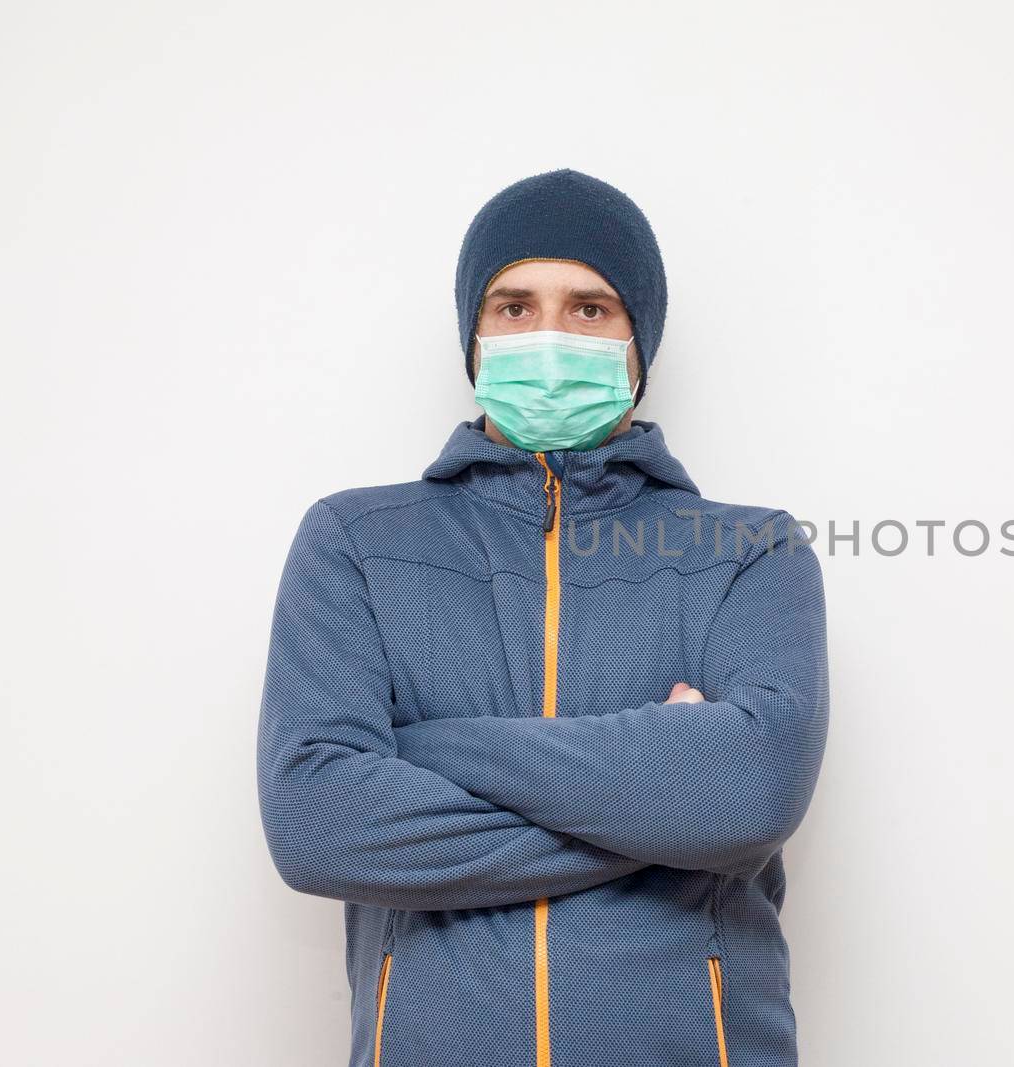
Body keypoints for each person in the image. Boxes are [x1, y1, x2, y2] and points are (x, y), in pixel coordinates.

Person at [256, 167, 830, 1067]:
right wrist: (652, 807)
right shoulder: (356, 542)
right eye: (514, 305)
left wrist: (426, 746)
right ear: (474, 336)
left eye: (591, 308)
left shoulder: (751, 551)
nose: (552, 335)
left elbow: (747, 792)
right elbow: (316, 822)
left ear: (641, 338)